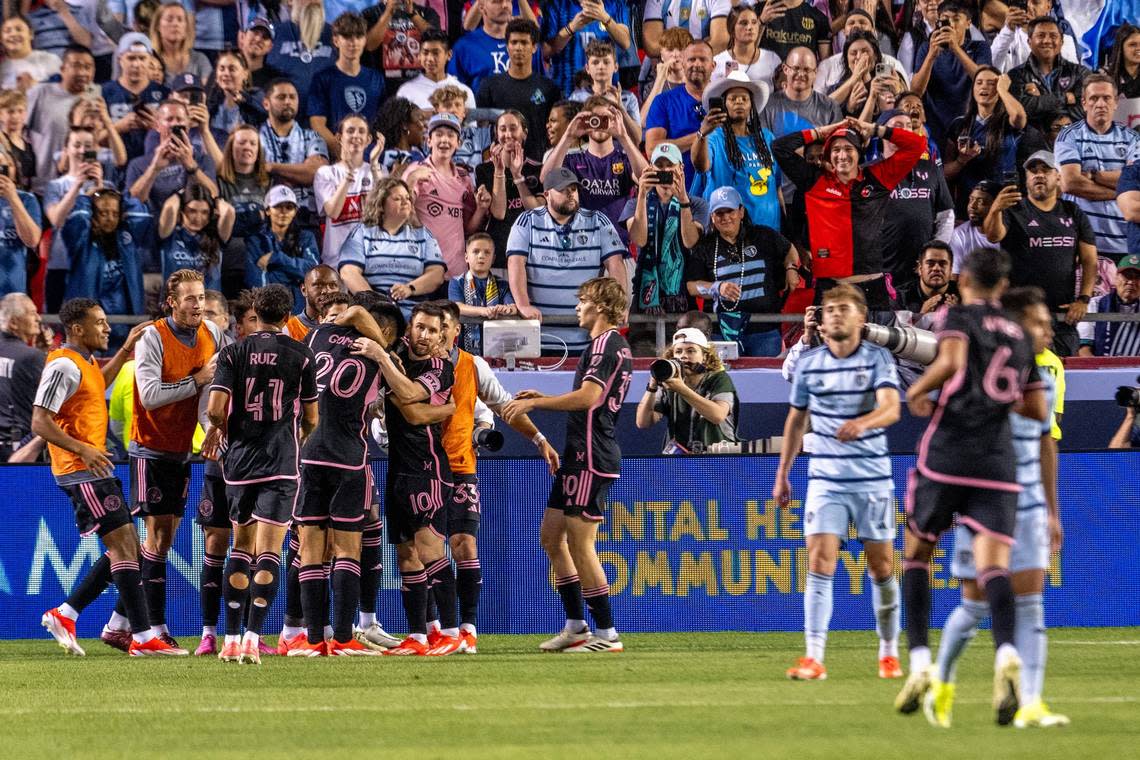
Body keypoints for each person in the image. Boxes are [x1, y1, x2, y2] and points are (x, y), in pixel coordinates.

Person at [894, 247, 1047, 726]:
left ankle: (919, 661)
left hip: (948, 453)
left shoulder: (960, 316)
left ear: (964, 280)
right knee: (993, 569)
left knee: (917, 554)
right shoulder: (1021, 335)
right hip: (999, 463)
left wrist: (919, 389)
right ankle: (1005, 653)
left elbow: (951, 360)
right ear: (1003, 286)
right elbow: (1038, 412)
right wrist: (997, 398)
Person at [927, 285, 1070, 729]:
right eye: (1038, 323)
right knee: (974, 606)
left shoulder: (1044, 377)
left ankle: (1031, 703)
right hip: (985, 502)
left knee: (1031, 604)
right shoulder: (974, 372)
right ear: (1013, 327)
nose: (1047, 330)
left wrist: (1051, 508)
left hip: (1026, 504)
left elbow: (1048, 443)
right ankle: (941, 681)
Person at [34, 302, 182, 656]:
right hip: (80, 469)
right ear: (76, 329)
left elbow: (98, 382)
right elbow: (39, 421)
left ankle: (66, 613)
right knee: (126, 547)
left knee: (127, 544)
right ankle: (143, 638)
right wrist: (82, 449)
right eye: (98, 323)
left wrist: (126, 348)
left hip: (91, 468)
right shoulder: (64, 365)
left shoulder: (83, 362)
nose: (105, 328)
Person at [773, 283, 902, 681]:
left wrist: (861, 423)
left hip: (872, 479)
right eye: (830, 309)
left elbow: (892, 409)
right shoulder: (809, 364)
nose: (835, 315)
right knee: (819, 560)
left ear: (861, 318)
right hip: (825, 478)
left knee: (880, 566)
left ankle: (888, 651)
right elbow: (796, 420)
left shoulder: (877, 358)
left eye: (844, 308)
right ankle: (814, 657)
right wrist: (783, 473)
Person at [502, 276, 632, 653]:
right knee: (551, 536)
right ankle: (576, 627)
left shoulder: (607, 345)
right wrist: (544, 396)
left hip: (592, 453)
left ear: (601, 307)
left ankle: (606, 633)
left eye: (583, 300)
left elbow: (590, 398)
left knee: (580, 543)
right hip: (579, 453)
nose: (577, 307)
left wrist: (535, 404)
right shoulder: (606, 345)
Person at [428, 301, 559, 652]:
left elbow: (504, 406)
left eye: (443, 326)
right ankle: (434, 629)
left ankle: (467, 629)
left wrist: (539, 439)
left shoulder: (473, 366)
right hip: (419, 469)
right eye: (429, 326)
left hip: (459, 468)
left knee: (464, 545)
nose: (436, 333)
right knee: (422, 550)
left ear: (457, 330)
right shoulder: (408, 364)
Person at [204, 284, 318, 664]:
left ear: (256, 310)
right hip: (281, 461)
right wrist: (295, 439)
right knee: (270, 551)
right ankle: (254, 637)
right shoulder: (302, 355)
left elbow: (216, 409)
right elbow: (312, 418)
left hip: (239, 463)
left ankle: (231, 638)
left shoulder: (233, 352)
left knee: (240, 547)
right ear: (288, 316)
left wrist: (222, 431)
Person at [283, 296, 396, 656]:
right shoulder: (377, 354)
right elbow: (360, 314)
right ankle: (345, 638)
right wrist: (380, 344)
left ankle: (315, 640)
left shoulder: (314, 340)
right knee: (348, 552)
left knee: (311, 552)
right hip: (349, 460)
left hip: (308, 457)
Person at [127, 269, 224, 651]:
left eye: (200, 297)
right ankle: (151, 629)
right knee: (153, 539)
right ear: (171, 302)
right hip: (149, 447)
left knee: (163, 541)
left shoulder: (212, 334)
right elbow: (150, 395)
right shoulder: (153, 337)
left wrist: (212, 428)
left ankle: (132, 626)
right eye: (189, 298)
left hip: (182, 449)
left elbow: (207, 396)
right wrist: (197, 380)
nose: (197, 304)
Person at [359, 301, 461, 656]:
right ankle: (419, 635)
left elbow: (413, 405)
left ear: (442, 336)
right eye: (420, 327)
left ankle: (451, 631)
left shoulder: (440, 367)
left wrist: (384, 362)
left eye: (433, 330)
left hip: (427, 468)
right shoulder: (399, 353)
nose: (424, 336)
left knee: (432, 551)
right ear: (409, 328)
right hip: (399, 467)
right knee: (406, 556)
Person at [772, 117, 926, 312]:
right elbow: (779, 147)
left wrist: (874, 129)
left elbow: (917, 144)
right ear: (828, 155)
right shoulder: (814, 181)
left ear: (859, 153)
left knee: (876, 344)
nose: (842, 155)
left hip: (872, 288)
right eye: (836, 150)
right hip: (829, 288)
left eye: (848, 149)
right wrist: (822, 132)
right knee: (825, 344)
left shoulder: (878, 177)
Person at [983, 150, 1097, 356]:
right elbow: (993, 236)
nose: (1039, 175)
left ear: (1058, 176)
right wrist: (996, 209)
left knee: (1063, 379)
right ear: (1026, 178)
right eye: (1033, 171)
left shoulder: (1073, 212)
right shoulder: (1013, 210)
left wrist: (1084, 299)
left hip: (1062, 318)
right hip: (1021, 315)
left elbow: (1089, 260)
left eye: (1045, 169)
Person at [506, 167, 627, 354]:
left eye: (574, 189)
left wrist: (620, 306)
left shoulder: (598, 221)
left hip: (587, 339)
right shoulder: (527, 221)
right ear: (546, 194)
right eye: (563, 190)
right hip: (539, 339)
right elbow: (516, 263)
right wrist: (523, 305)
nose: (571, 194)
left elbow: (616, 264)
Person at [685, 186, 800, 356]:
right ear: (712, 217)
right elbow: (691, 286)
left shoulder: (763, 235)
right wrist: (717, 288)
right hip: (722, 332)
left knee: (765, 380)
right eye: (719, 213)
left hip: (764, 331)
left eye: (730, 211)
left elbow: (790, 250)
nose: (725, 218)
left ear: (741, 212)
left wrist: (791, 268)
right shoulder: (705, 247)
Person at [1054, 75, 1140, 260]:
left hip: (1125, 242)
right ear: (1084, 103)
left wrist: (1094, 175)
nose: (1100, 104)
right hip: (1082, 242)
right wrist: (1123, 190)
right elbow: (1070, 183)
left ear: (1116, 102)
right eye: (1093, 98)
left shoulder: (1133, 138)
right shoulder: (1068, 135)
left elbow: (1137, 183)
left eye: (1107, 98)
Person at [543, 95, 648, 244]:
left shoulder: (625, 161)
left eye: (604, 118)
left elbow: (648, 179)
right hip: (584, 248)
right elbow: (546, 178)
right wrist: (568, 136)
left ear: (614, 121)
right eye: (593, 119)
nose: (599, 124)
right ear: (586, 124)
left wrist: (623, 136)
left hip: (619, 248)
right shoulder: (574, 161)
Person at [870, 109, 954, 289]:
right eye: (898, 126)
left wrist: (934, 251)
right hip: (879, 267)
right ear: (882, 131)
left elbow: (946, 214)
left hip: (921, 269)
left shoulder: (930, 167)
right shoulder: (869, 172)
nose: (905, 131)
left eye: (909, 126)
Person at [623, 142, 707, 316]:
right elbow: (639, 239)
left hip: (682, 297)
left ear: (681, 168)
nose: (665, 171)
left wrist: (683, 200)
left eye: (670, 165)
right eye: (659, 166)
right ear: (651, 169)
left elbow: (691, 241)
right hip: (645, 297)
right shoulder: (635, 204)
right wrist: (641, 195)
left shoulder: (697, 204)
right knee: (643, 344)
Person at [692, 70, 781, 231]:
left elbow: (776, 185)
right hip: (728, 231)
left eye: (744, 99)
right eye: (733, 98)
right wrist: (702, 134)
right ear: (723, 104)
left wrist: (786, 222)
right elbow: (701, 166)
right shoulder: (714, 138)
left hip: (768, 229)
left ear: (751, 105)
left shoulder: (767, 138)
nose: (739, 102)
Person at [339, 177, 446, 308]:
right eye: (397, 198)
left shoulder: (423, 234)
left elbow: (437, 273)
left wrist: (409, 288)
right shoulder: (361, 232)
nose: (405, 202)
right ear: (381, 204)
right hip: (374, 310)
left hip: (416, 312)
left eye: (407, 198)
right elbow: (348, 272)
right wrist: (376, 304)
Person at [403, 112, 484, 279]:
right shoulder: (415, 171)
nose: (444, 140)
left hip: (456, 272)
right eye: (438, 135)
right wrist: (410, 182)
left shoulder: (465, 179)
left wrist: (481, 209)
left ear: (458, 143)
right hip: (423, 270)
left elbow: (468, 228)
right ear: (429, 140)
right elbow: (400, 214)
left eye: (450, 135)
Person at [636, 327, 739, 453]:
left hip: (716, 457)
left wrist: (681, 389)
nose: (683, 356)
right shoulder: (669, 382)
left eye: (691, 351)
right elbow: (643, 422)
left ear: (705, 356)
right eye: (678, 351)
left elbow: (717, 415)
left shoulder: (718, 379)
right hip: (679, 458)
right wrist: (652, 386)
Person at [60, 187, 150, 327]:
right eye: (103, 213)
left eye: (115, 213)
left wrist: (121, 197)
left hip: (125, 323)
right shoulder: (81, 241)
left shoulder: (127, 239)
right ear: (93, 214)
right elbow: (78, 220)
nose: (110, 219)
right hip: (90, 324)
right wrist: (86, 198)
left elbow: (141, 217)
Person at [476, 19, 561, 161]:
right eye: (514, 42)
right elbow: (481, 127)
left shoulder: (549, 88)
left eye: (524, 42)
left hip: (538, 165)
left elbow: (555, 129)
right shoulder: (489, 86)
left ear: (534, 47)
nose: (518, 48)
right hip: (500, 165)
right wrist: (487, 158)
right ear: (507, 46)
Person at [910, 1, 992, 145]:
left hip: (970, 125)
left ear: (968, 23)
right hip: (935, 126)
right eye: (946, 19)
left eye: (956, 19)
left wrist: (956, 48)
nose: (951, 25)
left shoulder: (980, 47)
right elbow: (916, 91)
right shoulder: (926, 48)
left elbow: (984, 80)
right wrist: (931, 55)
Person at [308, 12, 385, 162]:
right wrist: (341, 151)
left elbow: (382, 123)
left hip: (371, 159)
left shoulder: (376, 78)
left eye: (358, 37)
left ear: (364, 40)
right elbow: (317, 123)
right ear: (336, 40)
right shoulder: (322, 78)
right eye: (347, 37)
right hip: (337, 160)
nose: (353, 42)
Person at [260, 79, 330, 236]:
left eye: (292, 97)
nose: (287, 102)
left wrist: (272, 168)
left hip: (306, 220)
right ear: (266, 103)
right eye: (281, 97)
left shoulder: (312, 136)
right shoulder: (254, 138)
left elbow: (314, 173)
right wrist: (298, 171)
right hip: (266, 221)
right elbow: (255, 174)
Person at [475, 110, 543, 267]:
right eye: (503, 129)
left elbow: (536, 212)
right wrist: (499, 171)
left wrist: (517, 175)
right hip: (499, 249)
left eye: (513, 128)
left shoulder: (537, 169)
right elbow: (498, 213)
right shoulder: (484, 169)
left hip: (531, 250)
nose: (508, 134)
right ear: (496, 133)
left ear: (524, 133)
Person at [126, 98, 219, 213]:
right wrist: (154, 169)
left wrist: (191, 166)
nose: (174, 124)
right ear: (157, 125)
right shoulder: (138, 164)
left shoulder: (203, 160)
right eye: (169, 119)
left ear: (188, 125)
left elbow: (214, 195)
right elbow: (132, 202)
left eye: (179, 119)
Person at [26, 44, 96, 194]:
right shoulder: (40, 92)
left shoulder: (94, 99)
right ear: (62, 69)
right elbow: (17, 131)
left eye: (88, 67)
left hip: (80, 188)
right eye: (76, 66)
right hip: (41, 185)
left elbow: (97, 142)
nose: (83, 72)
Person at [646, 40, 714, 184]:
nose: (697, 64)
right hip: (679, 189)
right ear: (683, 64)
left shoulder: (726, 100)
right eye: (691, 59)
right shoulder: (663, 101)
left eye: (703, 59)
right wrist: (702, 134)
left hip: (719, 191)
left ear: (713, 65)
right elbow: (652, 150)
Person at [313, 113, 375, 267]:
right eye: (350, 131)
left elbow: (383, 216)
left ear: (368, 140)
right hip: (336, 261)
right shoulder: (325, 173)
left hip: (370, 261)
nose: (356, 135)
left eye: (361, 131)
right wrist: (347, 178)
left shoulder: (377, 172)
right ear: (339, 137)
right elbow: (333, 211)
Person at [216, 125, 271, 297]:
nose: (247, 146)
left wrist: (238, 220)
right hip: (229, 261)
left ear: (258, 150)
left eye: (253, 143)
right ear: (231, 147)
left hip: (260, 259)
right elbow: (223, 229)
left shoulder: (268, 182)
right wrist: (256, 216)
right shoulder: (219, 182)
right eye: (242, 142)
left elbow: (272, 222)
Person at [245, 185, 320, 306]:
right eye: (278, 207)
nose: (283, 212)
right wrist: (294, 274)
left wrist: (276, 258)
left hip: (301, 309)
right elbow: (255, 281)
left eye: (289, 207)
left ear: (295, 211)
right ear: (268, 210)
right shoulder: (256, 241)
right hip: (270, 310)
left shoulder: (306, 237)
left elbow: (313, 273)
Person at [1006, 16, 1088, 126]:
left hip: (1073, 138)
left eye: (1053, 36)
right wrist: (1064, 98)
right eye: (1041, 35)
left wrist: (1039, 101)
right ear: (1029, 41)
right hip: (1032, 140)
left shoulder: (1080, 73)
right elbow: (1020, 110)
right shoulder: (1015, 76)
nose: (1047, 41)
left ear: (1062, 42)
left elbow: (1086, 109)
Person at [541, 1, 632, 97]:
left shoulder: (614, 4)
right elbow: (546, 51)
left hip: (605, 93)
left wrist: (605, 18)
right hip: (566, 91)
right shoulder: (556, 5)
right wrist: (571, 28)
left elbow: (625, 42)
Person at [102, 33, 169, 164]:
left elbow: (178, 137)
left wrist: (156, 127)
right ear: (120, 59)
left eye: (142, 58)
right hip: (114, 168)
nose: (136, 64)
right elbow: (91, 139)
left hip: (155, 166)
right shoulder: (104, 93)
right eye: (131, 58)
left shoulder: (164, 93)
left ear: (150, 59)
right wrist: (118, 127)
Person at [158, 184, 236, 292]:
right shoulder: (169, 234)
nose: (198, 218)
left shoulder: (216, 236)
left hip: (208, 305)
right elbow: (169, 207)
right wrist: (179, 194)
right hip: (175, 305)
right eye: (192, 211)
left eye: (204, 212)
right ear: (181, 210)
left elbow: (229, 211)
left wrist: (215, 199)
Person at [448, 232, 516, 355]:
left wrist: (506, 310)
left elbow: (513, 307)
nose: (481, 256)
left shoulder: (502, 284)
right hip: (464, 350)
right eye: (476, 251)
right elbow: (457, 307)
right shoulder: (457, 282)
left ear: (493, 258)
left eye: (487, 252)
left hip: (498, 350)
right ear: (466, 257)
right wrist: (483, 311)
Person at [266, 0, 336, 116]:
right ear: (290, 1)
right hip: (283, 119)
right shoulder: (275, 33)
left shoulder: (335, 35)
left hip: (324, 121)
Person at [759, 47, 845, 138]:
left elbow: (836, 144)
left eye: (807, 70)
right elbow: (763, 145)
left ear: (815, 73)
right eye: (796, 68)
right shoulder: (767, 106)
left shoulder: (830, 107)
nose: (800, 74)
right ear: (785, 69)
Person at [569, 38, 641, 143]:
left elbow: (637, 139)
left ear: (616, 67)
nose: (601, 67)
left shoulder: (628, 98)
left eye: (606, 62)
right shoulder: (577, 97)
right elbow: (571, 137)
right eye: (595, 62)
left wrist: (620, 108)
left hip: (619, 155)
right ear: (587, 68)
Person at [0, 294, 44, 461]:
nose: (38, 318)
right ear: (13, 323)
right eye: (31, 313)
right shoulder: (32, 356)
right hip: (21, 451)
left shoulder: (30, 354)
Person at [363, 0, 441, 92]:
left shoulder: (427, 13)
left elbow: (436, 42)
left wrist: (412, 15)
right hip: (382, 87)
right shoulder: (370, 13)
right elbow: (369, 46)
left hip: (420, 86)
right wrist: (388, 13)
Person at [395, 27, 476, 111]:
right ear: (419, 56)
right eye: (425, 53)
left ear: (448, 55)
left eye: (435, 53)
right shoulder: (406, 91)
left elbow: (471, 124)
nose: (430, 58)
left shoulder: (464, 91)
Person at [990, 0, 1078, 73]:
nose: (1029, 8)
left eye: (1035, 2)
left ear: (1048, 5)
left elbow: (1072, 76)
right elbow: (992, 67)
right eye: (1024, 2)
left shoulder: (1066, 41)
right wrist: (1007, 31)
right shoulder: (1007, 39)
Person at [1078, 254, 1140, 357]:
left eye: (1137, 278)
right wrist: (1101, 371)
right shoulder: (1095, 305)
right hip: (1101, 368)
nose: (1130, 282)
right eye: (1127, 276)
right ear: (1115, 278)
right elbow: (1083, 350)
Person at [0, 149, 42, 298]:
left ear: (14, 169)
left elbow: (32, 240)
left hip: (13, 292)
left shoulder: (27, 200)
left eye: (5, 166)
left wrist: (12, 198)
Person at [448, 0, 513, 94]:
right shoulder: (464, 46)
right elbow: (453, 91)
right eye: (497, 1)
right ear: (481, 7)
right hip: (479, 108)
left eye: (508, 0)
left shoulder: (527, 43)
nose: (504, 5)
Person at [710, 5, 780, 88]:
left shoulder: (772, 59)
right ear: (732, 29)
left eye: (754, 22)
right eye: (744, 23)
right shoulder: (718, 62)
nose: (750, 27)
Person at [205, 50, 266, 139]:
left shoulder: (256, 96)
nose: (226, 73)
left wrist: (243, 101)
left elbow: (264, 113)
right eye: (221, 69)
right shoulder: (212, 102)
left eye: (232, 69)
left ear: (245, 74)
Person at [149, 2, 212, 87]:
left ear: (186, 27)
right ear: (158, 26)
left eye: (180, 20)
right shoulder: (149, 61)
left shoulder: (200, 60)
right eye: (169, 19)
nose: (175, 24)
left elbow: (208, 94)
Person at [639, 26, 692, 123]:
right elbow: (643, 121)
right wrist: (659, 80)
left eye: (681, 49)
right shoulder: (652, 87)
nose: (675, 54)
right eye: (670, 49)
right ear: (662, 55)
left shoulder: (699, 84)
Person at [641, 0, 729, 57]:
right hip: (670, 72)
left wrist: (674, 53)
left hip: (705, 71)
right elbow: (652, 45)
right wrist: (701, 46)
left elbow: (720, 42)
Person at [893, 241, 960, 315]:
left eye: (942, 264)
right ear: (920, 268)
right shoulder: (899, 297)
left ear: (951, 270)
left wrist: (959, 318)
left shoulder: (963, 295)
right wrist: (921, 317)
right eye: (930, 263)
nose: (936, 268)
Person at [950, 180, 1000, 272]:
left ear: (996, 206)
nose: (972, 206)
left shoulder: (1011, 233)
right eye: (971, 199)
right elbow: (955, 277)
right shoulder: (960, 234)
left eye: (980, 202)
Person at [756, 0, 831, 62]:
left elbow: (825, 64)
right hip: (763, 77)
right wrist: (761, 21)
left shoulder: (818, 17)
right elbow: (746, 52)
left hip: (800, 77)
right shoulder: (759, 10)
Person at [0, 15, 61, 90]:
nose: (13, 34)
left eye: (19, 29)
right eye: (7, 31)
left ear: (31, 34)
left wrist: (36, 86)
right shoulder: (1, 66)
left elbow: (65, 92)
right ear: (1, 39)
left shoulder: (50, 59)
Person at [285, 264, 342, 341]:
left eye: (332, 285)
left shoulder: (346, 326)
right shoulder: (288, 328)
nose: (326, 291)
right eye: (318, 285)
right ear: (304, 290)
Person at [373, 97, 427, 177]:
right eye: (421, 119)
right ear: (405, 125)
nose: (426, 125)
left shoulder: (421, 153)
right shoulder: (378, 156)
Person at [238, 17, 285, 91]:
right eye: (255, 33)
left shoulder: (276, 80)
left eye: (265, 37)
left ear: (270, 47)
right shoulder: (225, 71)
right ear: (243, 37)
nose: (258, 39)